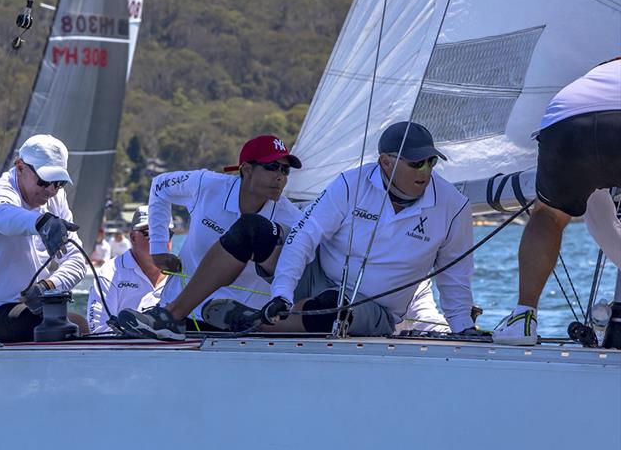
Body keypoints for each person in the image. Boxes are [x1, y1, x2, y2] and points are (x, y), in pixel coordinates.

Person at [260, 121, 478, 337]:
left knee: (333, 308)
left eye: (431, 162)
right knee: (257, 232)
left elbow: (455, 274)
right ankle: (239, 305)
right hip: (317, 278)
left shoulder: (454, 206)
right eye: (416, 163)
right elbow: (304, 236)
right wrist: (282, 293)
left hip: (372, 310)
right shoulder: (350, 183)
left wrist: (463, 328)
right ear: (386, 162)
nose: (426, 171)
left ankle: (252, 324)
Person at [115, 135, 304, 340]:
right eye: (272, 167)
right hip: (175, 320)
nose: (280, 177)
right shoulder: (206, 185)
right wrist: (159, 248)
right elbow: (160, 186)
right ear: (247, 169)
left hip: (238, 327)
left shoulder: (293, 219)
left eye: (285, 170)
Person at [494, 59, 621, 345]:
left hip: (566, 119)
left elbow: (600, 217)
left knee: (549, 215)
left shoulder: (597, 74)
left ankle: (522, 319)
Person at [0, 134, 87, 344]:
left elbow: (76, 259)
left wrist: (48, 285)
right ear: (20, 167)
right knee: (69, 327)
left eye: (59, 183)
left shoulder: (55, 198)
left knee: (78, 325)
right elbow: (1, 215)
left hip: (21, 308)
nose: (51, 189)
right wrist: (41, 223)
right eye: (44, 180)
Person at [87, 206, 173, 334]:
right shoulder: (109, 273)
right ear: (133, 238)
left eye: (166, 233)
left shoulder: (183, 274)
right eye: (150, 233)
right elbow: (99, 330)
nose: (160, 240)